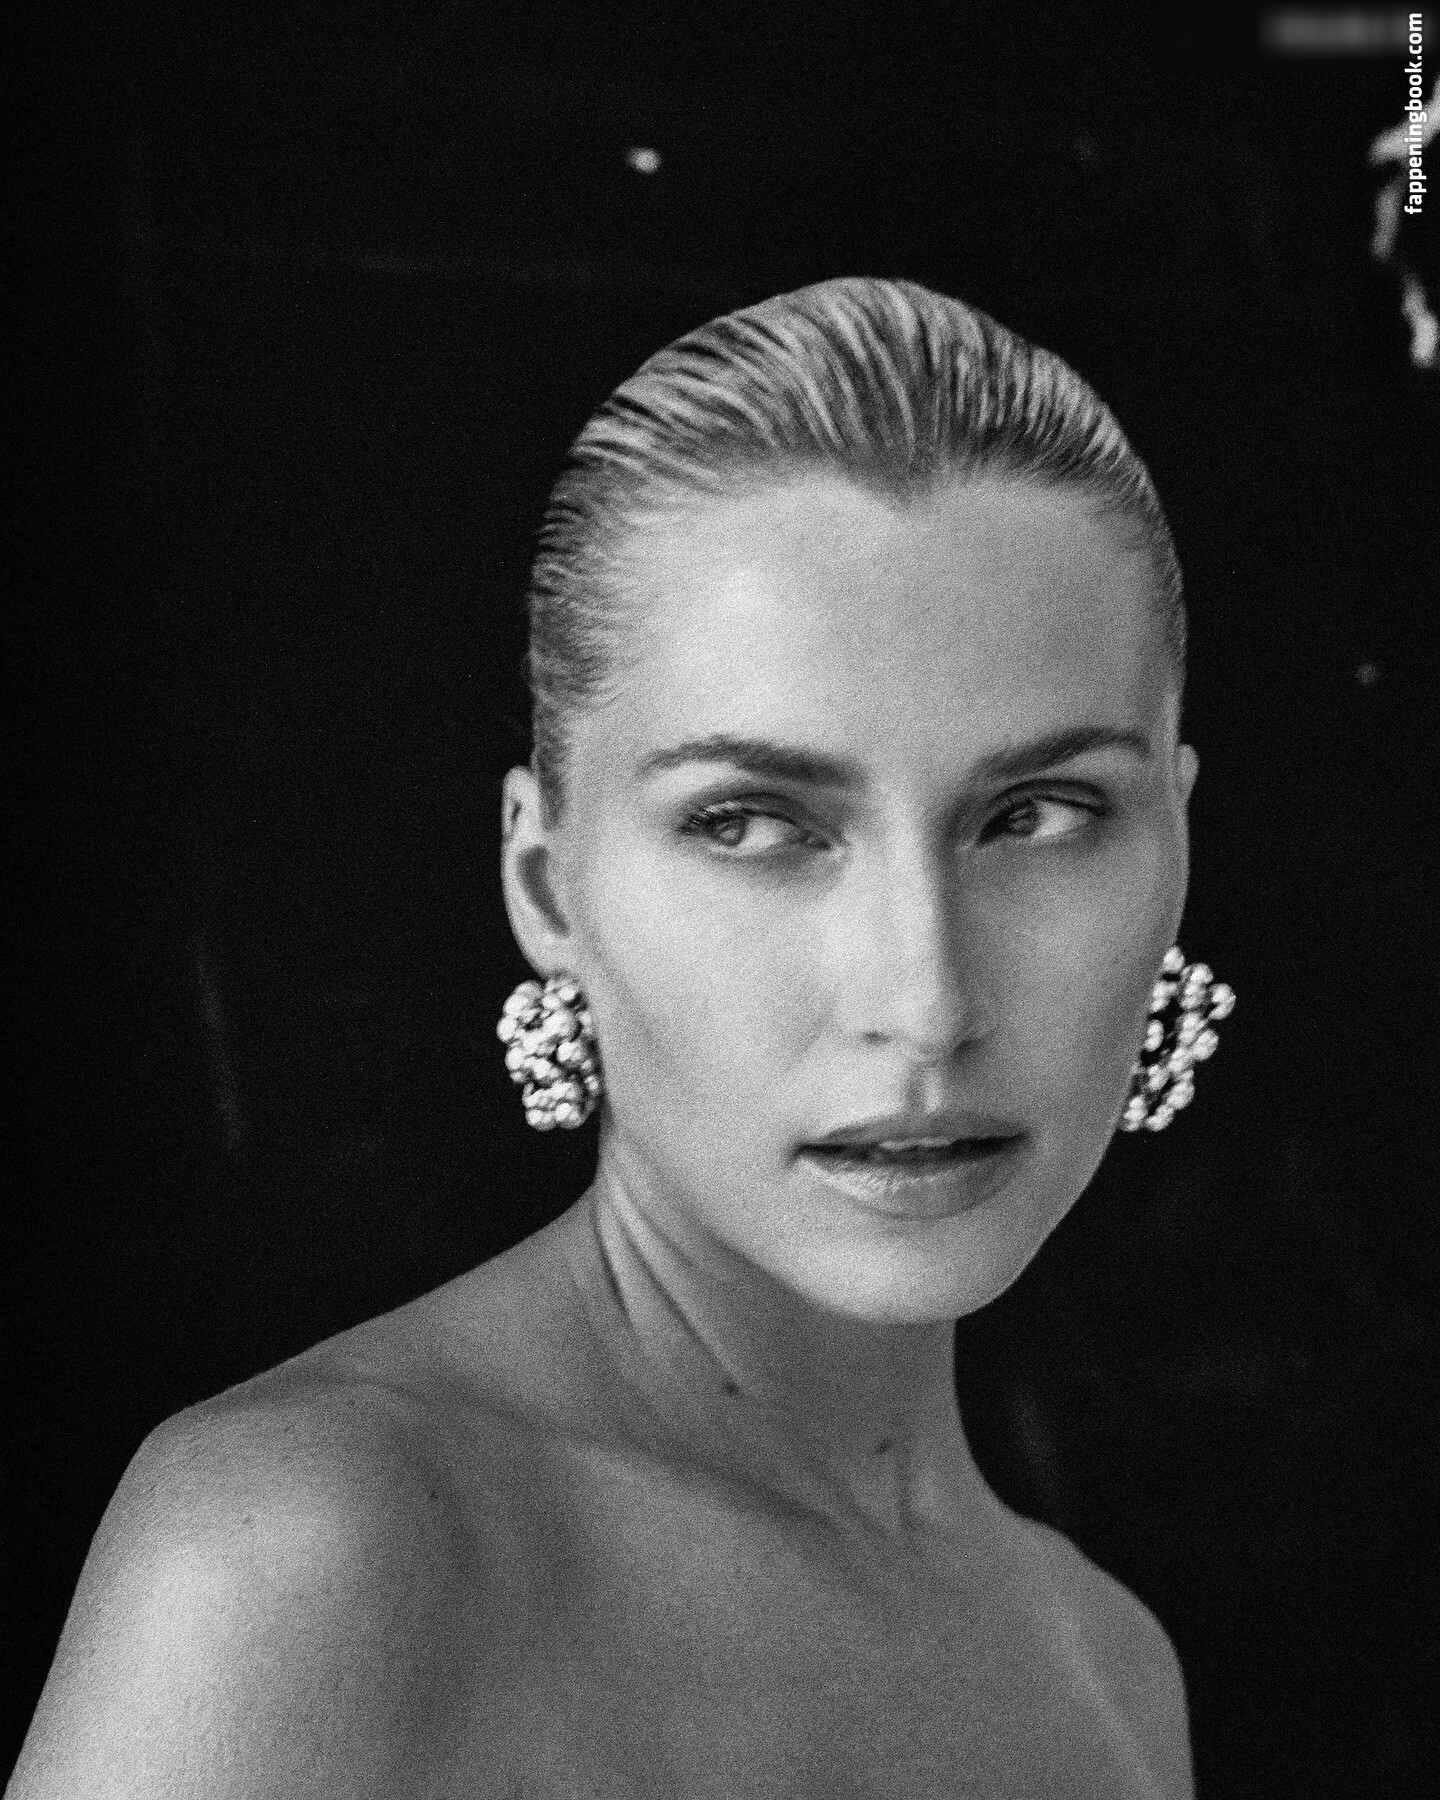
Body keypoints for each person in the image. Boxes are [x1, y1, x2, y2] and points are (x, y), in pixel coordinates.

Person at [9, 277, 1235, 1798]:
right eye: (752, 823)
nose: (924, 999)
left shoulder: (1108, 1669)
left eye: (1037, 815)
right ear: (548, 886)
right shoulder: (313, 1553)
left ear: (1177, 845)